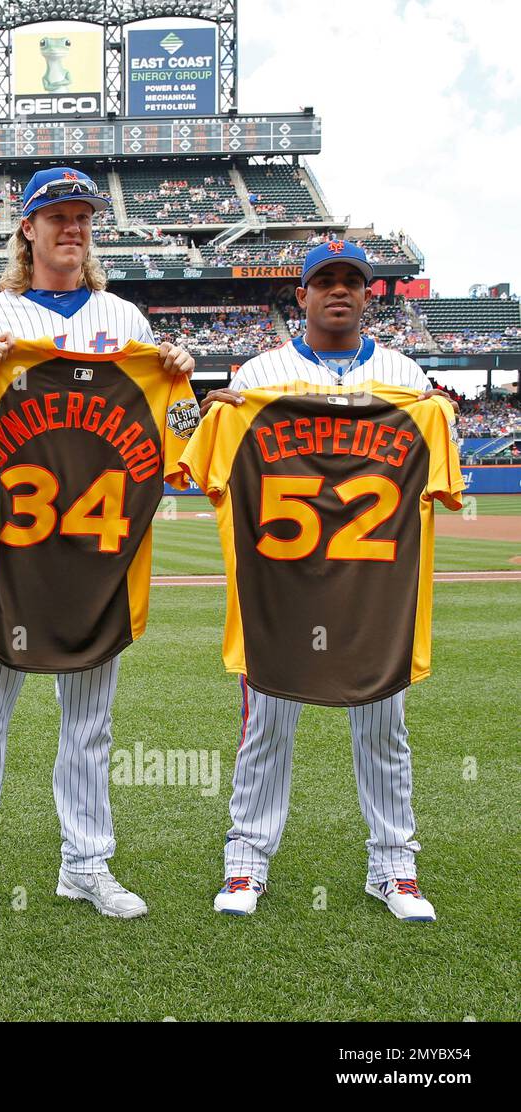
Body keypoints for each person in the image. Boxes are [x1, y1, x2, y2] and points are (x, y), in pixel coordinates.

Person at [0, 167, 195, 931]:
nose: (71, 229)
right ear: (28, 229)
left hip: (99, 551)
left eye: (82, 218)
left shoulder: (127, 319)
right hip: (12, 548)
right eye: (56, 218)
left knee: (91, 720)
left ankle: (85, 864)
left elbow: (177, 433)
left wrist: (179, 377)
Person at [195, 240, 447, 921]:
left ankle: (394, 866)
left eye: (352, 282)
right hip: (284, 583)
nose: (339, 291)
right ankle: (246, 862)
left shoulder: (407, 377)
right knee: (268, 723)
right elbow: (210, 470)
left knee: (383, 725)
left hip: (372, 585)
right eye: (324, 281)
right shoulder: (258, 374)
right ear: (300, 296)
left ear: (369, 295)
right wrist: (222, 414)